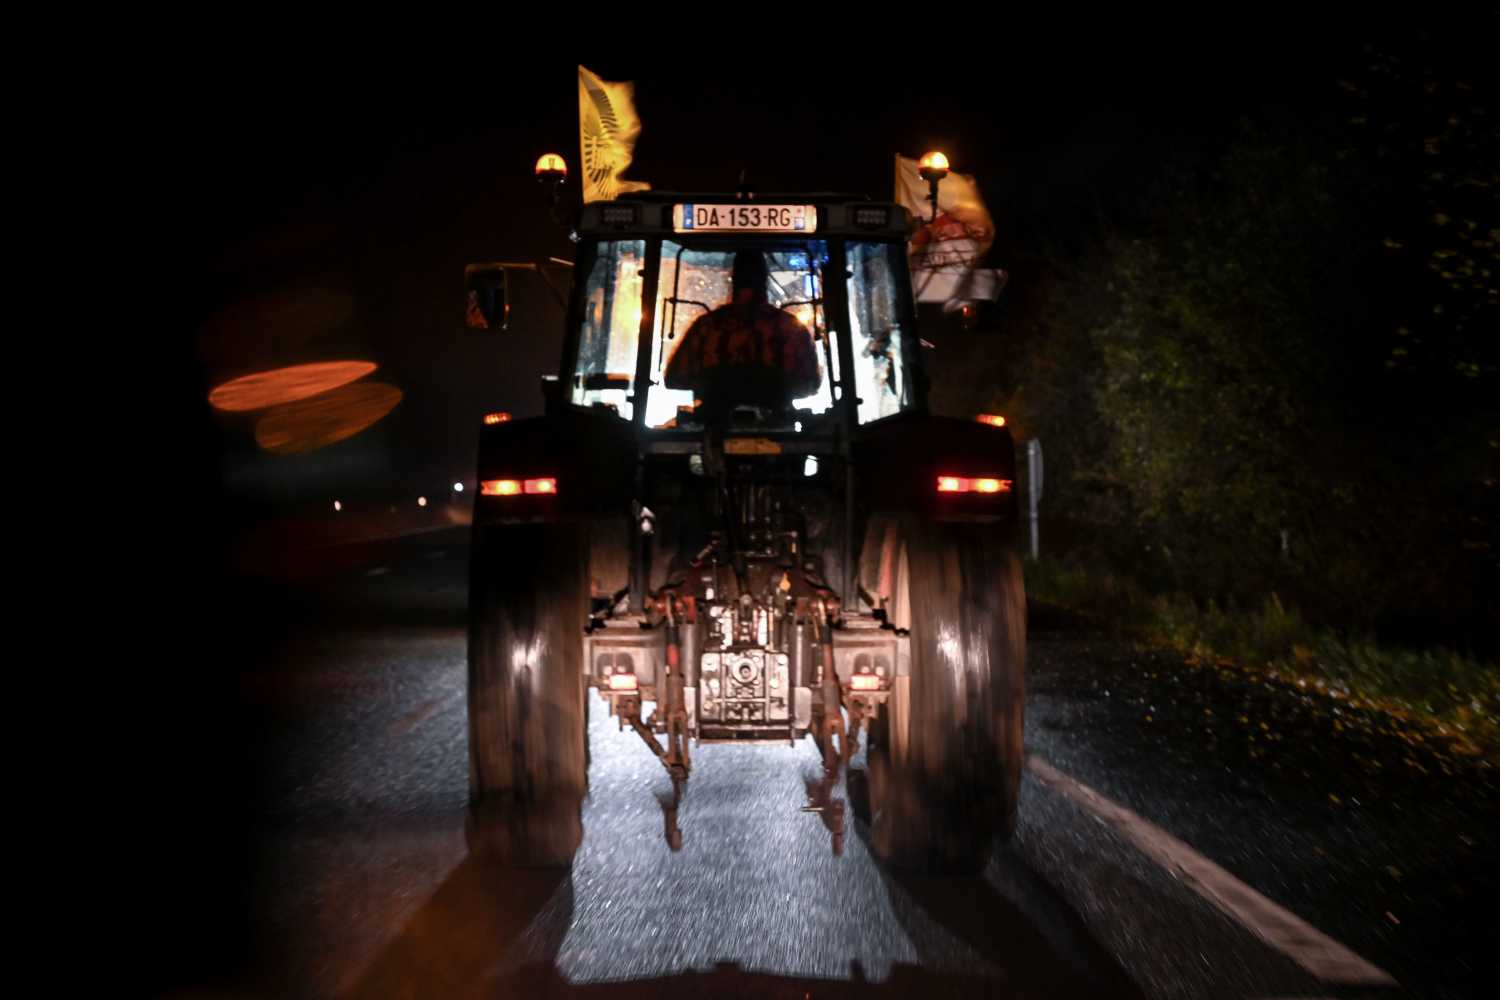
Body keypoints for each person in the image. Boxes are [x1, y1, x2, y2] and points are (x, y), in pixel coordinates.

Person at [664, 251, 820, 411]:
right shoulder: (790, 328)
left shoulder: (707, 326)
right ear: (765, 280)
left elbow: (674, 379)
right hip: (777, 425)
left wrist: (717, 381)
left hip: (713, 426)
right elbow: (811, 384)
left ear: (733, 279)